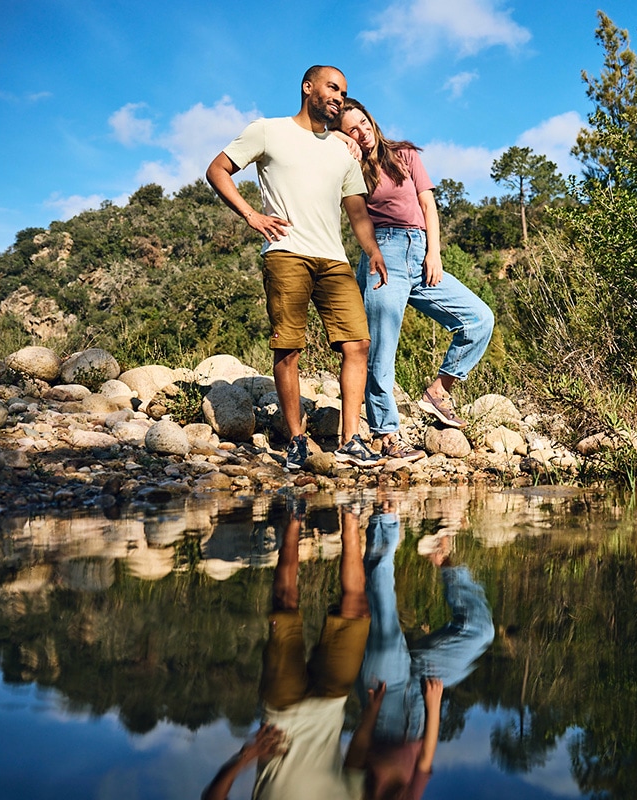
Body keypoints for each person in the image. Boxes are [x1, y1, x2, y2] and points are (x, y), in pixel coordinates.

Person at [206, 66, 388, 471]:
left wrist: (372, 249)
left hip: (335, 261)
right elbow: (217, 170)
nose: (339, 96)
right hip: (286, 253)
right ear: (308, 88)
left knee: (357, 344)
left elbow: (356, 209)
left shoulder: (343, 151)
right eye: (332, 87)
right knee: (289, 348)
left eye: (344, 91)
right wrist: (252, 215)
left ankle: (351, 440)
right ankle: (297, 440)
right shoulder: (267, 130)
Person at [331, 98, 495, 462]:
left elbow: (428, 205)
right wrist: (338, 145)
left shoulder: (404, 154)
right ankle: (387, 437)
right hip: (383, 254)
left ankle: (438, 391)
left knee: (479, 318)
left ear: (372, 120)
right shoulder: (348, 168)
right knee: (381, 352)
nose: (362, 133)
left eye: (363, 123)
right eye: (351, 131)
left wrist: (434, 252)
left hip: (420, 253)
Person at [202, 503, 380, 800]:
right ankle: (351, 515)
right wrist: (370, 715)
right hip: (330, 704)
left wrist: (246, 757)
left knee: (285, 605)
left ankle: (294, 518)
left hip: (282, 712)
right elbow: (356, 761)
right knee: (357, 612)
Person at [357, 500, 494, 797]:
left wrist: (370, 714)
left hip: (381, 699)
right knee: (481, 632)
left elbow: (354, 758)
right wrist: (433, 708)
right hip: (422, 700)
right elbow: (425, 760)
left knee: (382, 607)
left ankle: (384, 519)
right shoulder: (410, 796)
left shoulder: (361, 795)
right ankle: (442, 557)